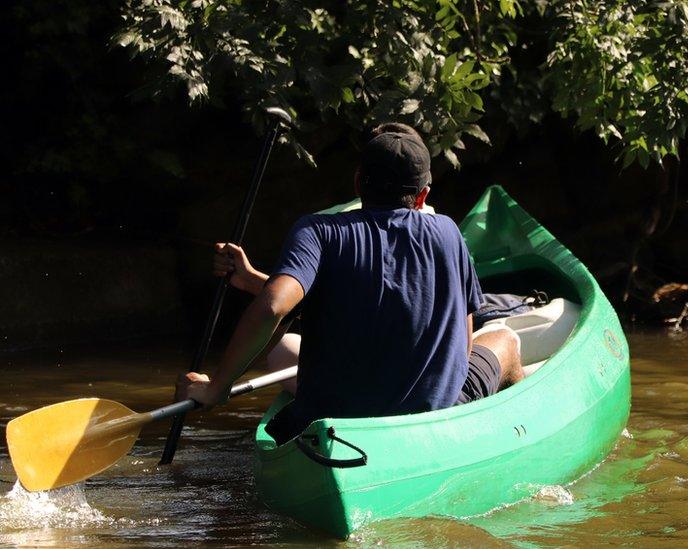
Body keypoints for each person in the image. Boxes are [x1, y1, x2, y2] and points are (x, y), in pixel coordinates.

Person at [177, 122, 523, 441]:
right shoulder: (449, 232)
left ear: (358, 182)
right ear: (423, 196)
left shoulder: (317, 232)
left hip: (337, 422)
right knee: (506, 340)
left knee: (289, 349)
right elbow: (462, 350)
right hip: (428, 420)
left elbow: (273, 305)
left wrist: (218, 386)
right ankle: (513, 437)